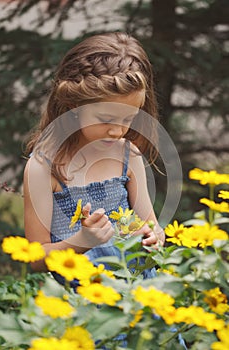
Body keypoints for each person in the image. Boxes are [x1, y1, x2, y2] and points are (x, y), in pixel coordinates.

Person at [23, 31, 166, 286]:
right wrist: (82, 241)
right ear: (72, 108)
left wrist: (153, 238)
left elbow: (152, 227)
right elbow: (35, 259)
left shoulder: (128, 155)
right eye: (106, 120)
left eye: (129, 118)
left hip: (136, 292)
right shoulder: (44, 167)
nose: (118, 130)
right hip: (81, 297)